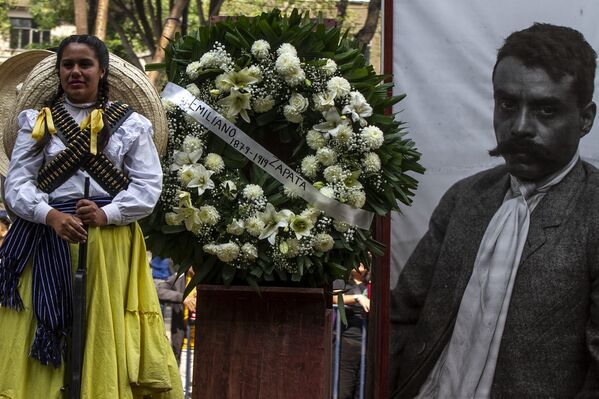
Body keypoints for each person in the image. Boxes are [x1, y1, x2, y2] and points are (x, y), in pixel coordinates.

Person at [389, 23, 599, 398]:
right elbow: (400, 317)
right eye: (506, 105)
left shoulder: (593, 212)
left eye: (546, 110)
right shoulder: (466, 198)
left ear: (585, 119)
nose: (519, 127)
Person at [0, 35, 183, 398]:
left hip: (108, 242)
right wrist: (49, 214)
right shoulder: (37, 122)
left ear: (102, 71)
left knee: (102, 329)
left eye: (85, 64)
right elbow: (17, 183)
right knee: (38, 322)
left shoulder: (131, 125)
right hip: (46, 237)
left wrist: (107, 213)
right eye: (68, 64)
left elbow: (148, 187)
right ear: (59, 71)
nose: (76, 72)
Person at [333, 263, 370, 399]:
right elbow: (334, 298)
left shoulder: (373, 283)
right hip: (347, 342)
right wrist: (357, 298)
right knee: (344, 389)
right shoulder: (342, 279)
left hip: (370, 344)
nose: (361, 262)